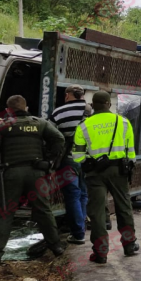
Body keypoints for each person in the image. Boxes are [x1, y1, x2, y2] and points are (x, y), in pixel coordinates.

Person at [0, 95, 66, 268]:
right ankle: (56, 247)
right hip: (36, 172)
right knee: (43, 210)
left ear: (8, 110)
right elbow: (59, 139)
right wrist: (50, 161)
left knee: (5, 213)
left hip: (11, 173)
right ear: (26, 107)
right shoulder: (40, 123)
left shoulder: (2, 125)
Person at [73, 91, 138, 264]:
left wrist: (91, 161)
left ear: (93, 105)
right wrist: (129, 165)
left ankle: (101, 253)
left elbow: (77, 157)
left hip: (95, 174)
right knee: (124, 208)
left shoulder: (83, 126)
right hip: (119, 172)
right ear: (109, 104)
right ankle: (129, 245)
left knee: (97, 212)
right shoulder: (123, 122)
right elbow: (131, 151)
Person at [49, 85, 88, 245]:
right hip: (88, 159)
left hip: (68, 160)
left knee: (72, 195)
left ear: (67, 95)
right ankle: (81, 229)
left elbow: (50, 136)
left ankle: (78, 234)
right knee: (84, 194)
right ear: (82, 95)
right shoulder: (91, 111)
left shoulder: (58, 112)